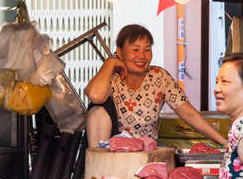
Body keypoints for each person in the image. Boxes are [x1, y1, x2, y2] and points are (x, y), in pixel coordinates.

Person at [84, 24, 226, 148]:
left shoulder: (159, 76)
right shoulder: (110, 77)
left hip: (146, 157)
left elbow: (189, 114)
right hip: (111, 157)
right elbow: (95, 96)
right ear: (120, 52)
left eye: (147, 49)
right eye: (135, 50)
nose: (142, 56)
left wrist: (224, 143)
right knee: (96, 111)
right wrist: (110, 62)